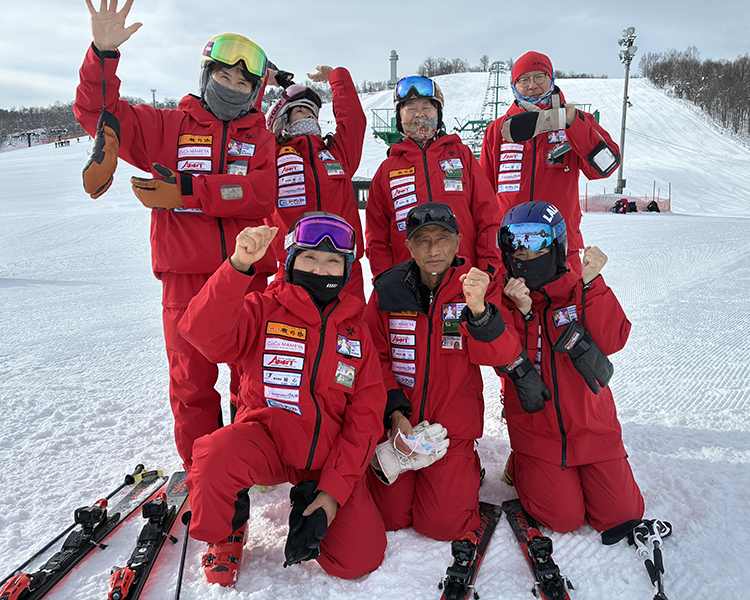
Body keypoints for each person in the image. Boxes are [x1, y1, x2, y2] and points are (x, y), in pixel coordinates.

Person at [74, 0, 278, 470]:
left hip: (247, 276)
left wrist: (186, 190)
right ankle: (204, 472)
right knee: (191, 385)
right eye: (223, 77)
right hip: (185, 281)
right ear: (206, 76)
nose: (232, 87)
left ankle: (250, 460)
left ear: (256, 91)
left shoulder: (260, 136)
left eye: (243, 82)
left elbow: (260, 192)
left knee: (253, 379)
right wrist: (103, 54)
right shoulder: (168, 127)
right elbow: (98, 113)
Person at [178, 213, 387, 586]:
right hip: (267, 443)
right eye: (309, 258)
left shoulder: (356, 330)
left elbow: (366, 418)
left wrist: (332, 494)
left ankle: (308, 497)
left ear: (346, 268)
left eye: (332, 261)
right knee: (213, 455)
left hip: (326, 456)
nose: (320, 270)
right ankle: (228, 527)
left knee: (358, 559)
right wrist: (239, 264)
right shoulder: (262, 309)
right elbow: (202, 332)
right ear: (291, 260)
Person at [363, 203, 520, 542]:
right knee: (391, 517)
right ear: (408, 245)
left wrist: (479, 310)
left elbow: (504, 354)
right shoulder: (387, 290)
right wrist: (394, 414)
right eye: (422, 240)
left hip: (450, 430)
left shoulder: (478, 287)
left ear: (459, 241)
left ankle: (467, 466)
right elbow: (372, 357)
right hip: (399, 426)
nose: (433, 250)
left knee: (442, 526)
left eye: (442, 239)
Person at [496, 201, 644, 534]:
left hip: (594, 430)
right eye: (516, 247)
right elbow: (501, 361)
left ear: (557, 245)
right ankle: (521, 465)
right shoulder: (506, 300)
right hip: (539, 435)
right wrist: (522, 312)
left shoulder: (580, 290)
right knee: (563, 519)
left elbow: (614, 339)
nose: (526, 255)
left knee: (622, 514)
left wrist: (593, 285)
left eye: (536, 244)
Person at [480, 51, 621, 274]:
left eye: (539, 76)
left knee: (566, 307)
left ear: (551, 78)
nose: (532, 85)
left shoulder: (575, 121)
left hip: (560, 246)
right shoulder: (498, 130)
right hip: (512, 249)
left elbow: (606, 166)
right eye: (523, 80)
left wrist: (573, 123)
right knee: (511, 307)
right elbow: (483, 194)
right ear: (514, 85)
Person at [365, 76, 503, 280]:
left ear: (438, 113)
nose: (419, 114)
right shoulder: (387, 169)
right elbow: (376, 237)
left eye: (427, 107)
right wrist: (387, 279)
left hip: (465, 279)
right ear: (399, 116)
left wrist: (488, 268)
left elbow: (489, 217)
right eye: (410, 108)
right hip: (409, 283)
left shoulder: (462, 156)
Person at [266, 67, 368, 300]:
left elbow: (353, 122)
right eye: (301, 111)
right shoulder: (272, 155)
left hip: (342, 265)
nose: (310, 117)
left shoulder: (336, 155)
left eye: (313, 114)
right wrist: (262, 81)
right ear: (282, 120)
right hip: (293, 266)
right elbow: (248, 132)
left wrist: (337, 79)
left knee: (350, 334)